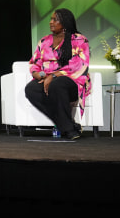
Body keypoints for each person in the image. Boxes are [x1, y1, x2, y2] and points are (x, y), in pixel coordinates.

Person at [24, 8, 92, 140]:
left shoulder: (79, 40)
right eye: (51, 19)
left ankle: (68, 130)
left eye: (55, 19)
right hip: (49, 79)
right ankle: (69, 126)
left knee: (57, 84)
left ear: (65, 22)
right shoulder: (44, 41)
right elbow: (34, 62)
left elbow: (78, 65)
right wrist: (37, 74)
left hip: (73, 81)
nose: (51, 22)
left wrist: (53, 75)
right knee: (31, 89)